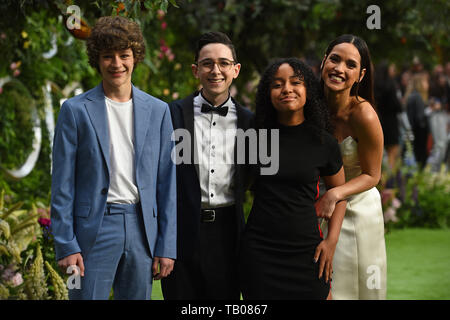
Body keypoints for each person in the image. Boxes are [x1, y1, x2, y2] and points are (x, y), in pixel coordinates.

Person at [51, 16, 177, 300]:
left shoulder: (158, 111)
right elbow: (62, 184)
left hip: (142, 228)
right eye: (108, 56)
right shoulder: (75, 110)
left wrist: (166, 246)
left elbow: (167, 183)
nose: (117, 64)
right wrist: (67, 245)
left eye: (124, 55)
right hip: (92, 230)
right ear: (97, 60)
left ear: (136, 57)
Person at [239, 58, 347, 300]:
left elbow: (339, 196)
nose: (286, 89)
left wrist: (331, 241)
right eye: (277, 85)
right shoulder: (254, 138)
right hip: (261, 253)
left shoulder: (323, 142)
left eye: (295, 82)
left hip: (308, 251)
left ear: (308, 89)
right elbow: (238, 185)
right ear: (269, 94)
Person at [161, 31, 254, 299]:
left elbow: (258, 180)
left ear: (235, 70)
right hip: (181, 234)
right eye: (207, 63)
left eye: (224, 63)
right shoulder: (171, 115)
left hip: (229, 236)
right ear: (195, 70)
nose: (216, 70)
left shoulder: (251, 123)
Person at [317, 34, 387, 300]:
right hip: (318, 208)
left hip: (358, 210)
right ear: (324, 61)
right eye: (334, 59)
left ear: (360, 75)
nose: (339, 68)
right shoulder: (311, 106)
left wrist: (335, 194)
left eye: (350, 64)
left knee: (355, 287)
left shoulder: (364, 115)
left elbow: (373, 174)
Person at [374, 61, 403, 169]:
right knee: (392, 150)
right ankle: (389, 178)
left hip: (378, 120)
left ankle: (380, 176)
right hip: (391, 121)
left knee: (379, 151)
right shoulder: (391, 85)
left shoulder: (374, 84)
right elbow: (397, 105)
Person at [404, 72, 430, 169]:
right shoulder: (418, 97)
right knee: (420, 156)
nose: (428, 85)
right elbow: (420, 118)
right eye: (426, 82)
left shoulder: (411, 95)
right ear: (420, 83)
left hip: (412, 130)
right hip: (419, 131)